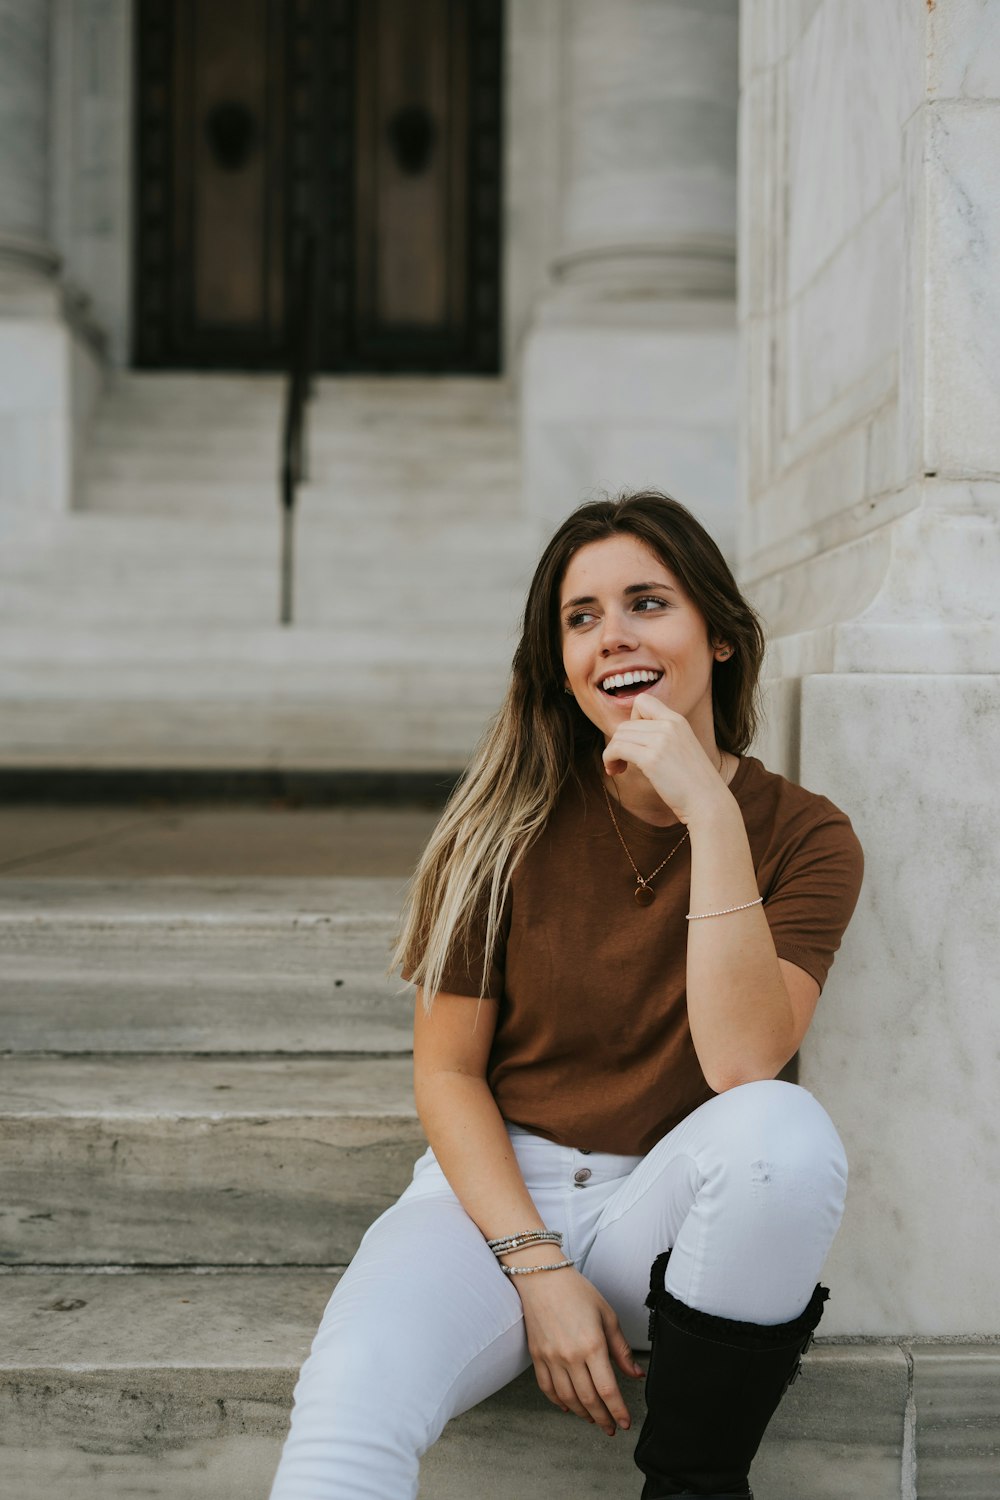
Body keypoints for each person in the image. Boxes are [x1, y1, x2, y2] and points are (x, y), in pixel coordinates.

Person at [269, 491, 864, 1500]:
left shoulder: (803, 833)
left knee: (783, 1132)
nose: (612, 637)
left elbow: (739, 1065)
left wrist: (711, 817)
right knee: (348, 1407)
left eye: (646, 603)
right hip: (502, 1195)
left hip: (680, 1220)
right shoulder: (499, 830)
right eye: (580, 617)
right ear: (559, 662)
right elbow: (449, 1073)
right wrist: (535, 1268)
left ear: (717, 635)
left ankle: (692, 1482)